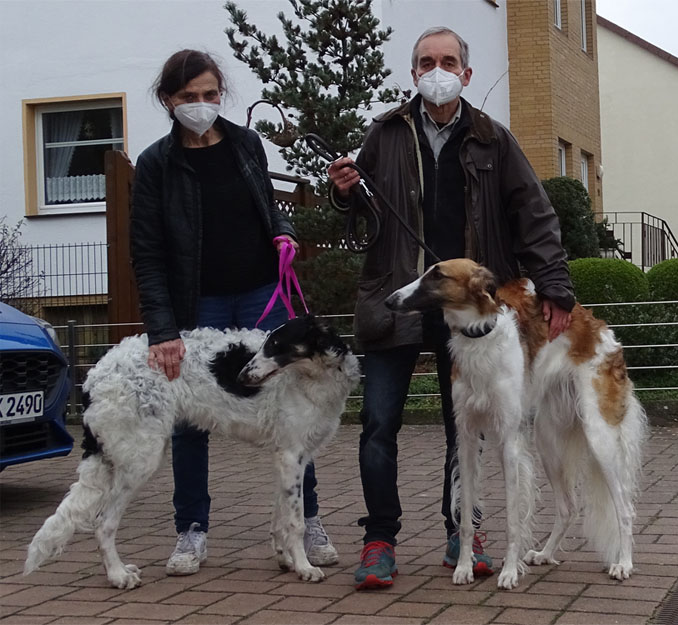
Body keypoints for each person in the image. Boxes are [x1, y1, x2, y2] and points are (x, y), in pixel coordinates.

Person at [327, 27, 575, 590]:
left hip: (468, 309)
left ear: (465, 73)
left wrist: (556, 289)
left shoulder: (493, 139)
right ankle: (379, 540)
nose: (435, 71)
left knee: (465, 430)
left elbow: (534, 215)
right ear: (413, 72)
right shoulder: (386, 133)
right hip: (396, 298)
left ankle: (463, 532)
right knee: (378, 424)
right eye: (425, 62)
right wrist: (344, 192)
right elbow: (363, 211)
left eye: (447, 61)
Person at [130, 49, 337, 577]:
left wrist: (284, 233)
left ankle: (308, 520)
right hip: (196, 303)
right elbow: (147, 254)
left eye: (210, 94)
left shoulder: (246, 143)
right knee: (188, 419)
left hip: (261, 292)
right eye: (188, 96)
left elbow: (268, 208)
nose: (201, 105)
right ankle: (191, 529)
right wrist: (162, 330)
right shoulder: (155, 164)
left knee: (295, 404)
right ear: (168, 100)